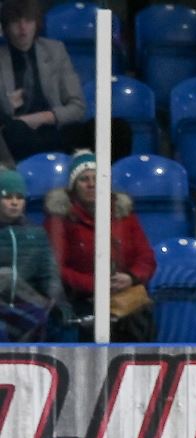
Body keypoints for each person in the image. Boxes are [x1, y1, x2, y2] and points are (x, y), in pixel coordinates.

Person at [43, 151, 157, 342]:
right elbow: (55, 267)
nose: (91, 184)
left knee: (140, 323)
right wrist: (94, 284)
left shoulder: (124, 216)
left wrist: (131, 277)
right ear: (73, 186)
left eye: (96, 178)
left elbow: (146, 257)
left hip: (124, 300)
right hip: (80, 301)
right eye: (84, 179)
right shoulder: (60, 220)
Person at [0, 0, 106, 163]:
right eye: (15, 22)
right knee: (14, 131)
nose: (23, 28)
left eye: (28, 21)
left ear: (37, 23)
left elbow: (78, 107)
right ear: (5, 27)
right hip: (18, 136)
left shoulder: (55, 50)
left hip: (56, 128)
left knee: (115, 129)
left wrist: (41, 117)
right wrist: (6, 104)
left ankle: (107, 183)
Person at [0, 166, 70, 342]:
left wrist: (58, 303)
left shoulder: (36, 234)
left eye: (20, 197)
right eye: (7, 197)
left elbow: (49, 273)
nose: (15, 202)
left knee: (44, 318)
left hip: (26, 305)